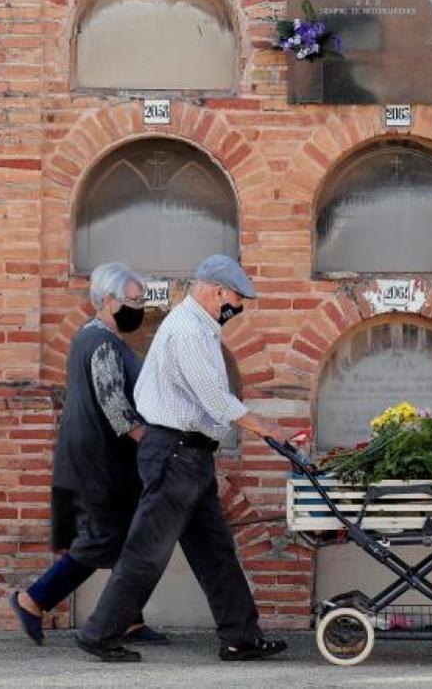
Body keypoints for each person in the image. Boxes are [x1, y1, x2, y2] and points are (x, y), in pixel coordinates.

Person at [75, 254, 293, 663]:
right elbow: (211, 396)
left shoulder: (201, 328)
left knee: (215, 551)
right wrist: (264, 426)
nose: (240, 307)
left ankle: (240, 637)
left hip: (190, 457)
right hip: (175, 453)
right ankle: (100, 633)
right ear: (216, 292)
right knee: (147, 549)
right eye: (237, 298)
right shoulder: (189, 330)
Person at [9, 262, 167, 647]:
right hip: (100, 461)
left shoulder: (92, 338)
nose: (138, 306)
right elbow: (116, 408)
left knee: (127, 538)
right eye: (132, 300)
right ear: (109, 300)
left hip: (100, 458)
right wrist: (154, 443)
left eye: (141, 299)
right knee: (100, 540)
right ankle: (33, 600)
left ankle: (128, 619)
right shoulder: (102, 344)